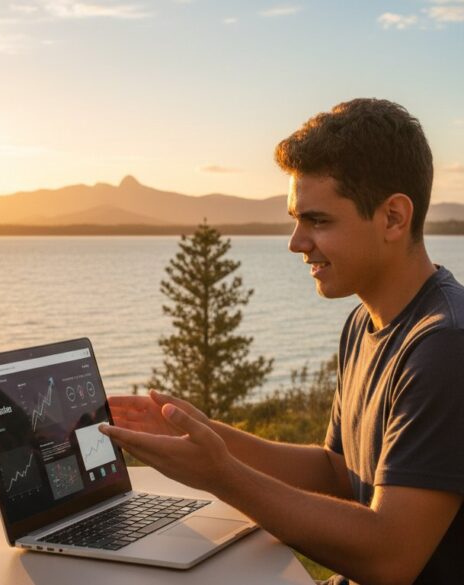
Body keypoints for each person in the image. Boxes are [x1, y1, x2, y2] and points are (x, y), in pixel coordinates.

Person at [100, 98, 464, 585]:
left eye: (318, 221)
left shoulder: (445, 345)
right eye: (297, 219)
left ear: (394, 218)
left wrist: (219, 474)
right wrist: (204, 434)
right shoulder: (364, 323)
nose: (296, 241)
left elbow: (390, 556)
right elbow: (337, 472)